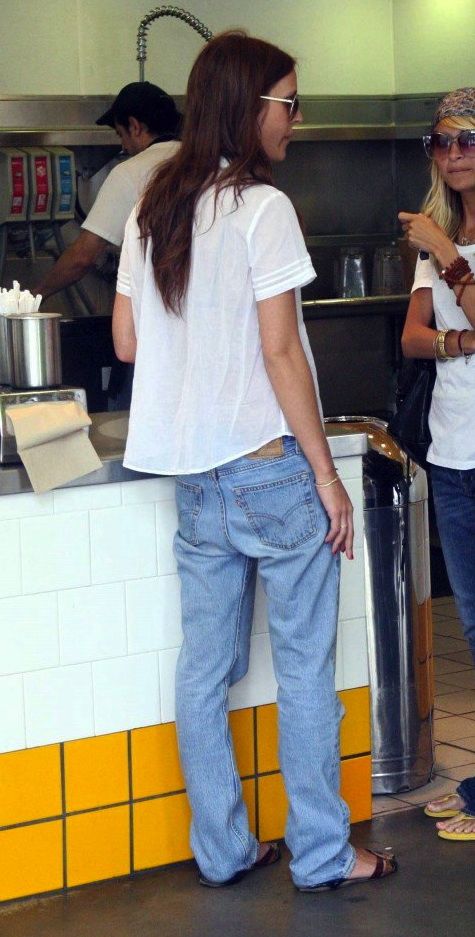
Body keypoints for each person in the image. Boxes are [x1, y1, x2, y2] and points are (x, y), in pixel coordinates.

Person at [113, 30, 397, 890]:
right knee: (304, 666)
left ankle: (223, 849)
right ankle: (322, 854)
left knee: (204, 671)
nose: (295, 119)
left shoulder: (152, 206)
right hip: (269, 467)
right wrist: (325, 476)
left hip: (196, 482)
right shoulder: (261, 208)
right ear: (248, 106)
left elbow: (127, 342)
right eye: (287, 103)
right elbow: (280, 353)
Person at [399, 87, 475, 842]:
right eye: (441, 141)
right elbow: (412, 338)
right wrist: (461, 342)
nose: (451, 154)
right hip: (451, 451)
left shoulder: (441, 244)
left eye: (466, 140)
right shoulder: (437, 237)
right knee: (474, 622)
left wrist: (450, 257)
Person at [35, 81, 181, 407]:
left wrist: (36, 294)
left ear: (135, 126)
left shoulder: (131, 173)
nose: (123, 145)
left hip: (149, 340)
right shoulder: (211, 165)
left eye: (120, 134)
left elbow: (83, 256)